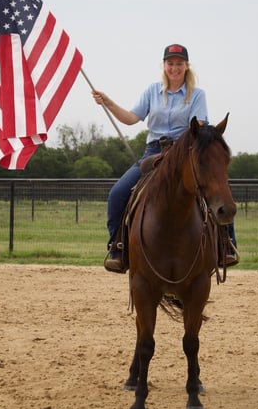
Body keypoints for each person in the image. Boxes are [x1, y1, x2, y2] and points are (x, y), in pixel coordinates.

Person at [91, 43, 238, 273]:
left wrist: (182, 149)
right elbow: (131, 118)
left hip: (184, 154)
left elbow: (198, 127)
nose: (174, 68)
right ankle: (118, 248)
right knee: (117, 194)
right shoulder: (152, 91)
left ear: (187, 67)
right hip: (153, 153)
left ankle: (225, 245)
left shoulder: (197, 95)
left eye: (179, 64)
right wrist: (108, 102)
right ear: (164, 66)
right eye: (170, 63)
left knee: (215, 189)